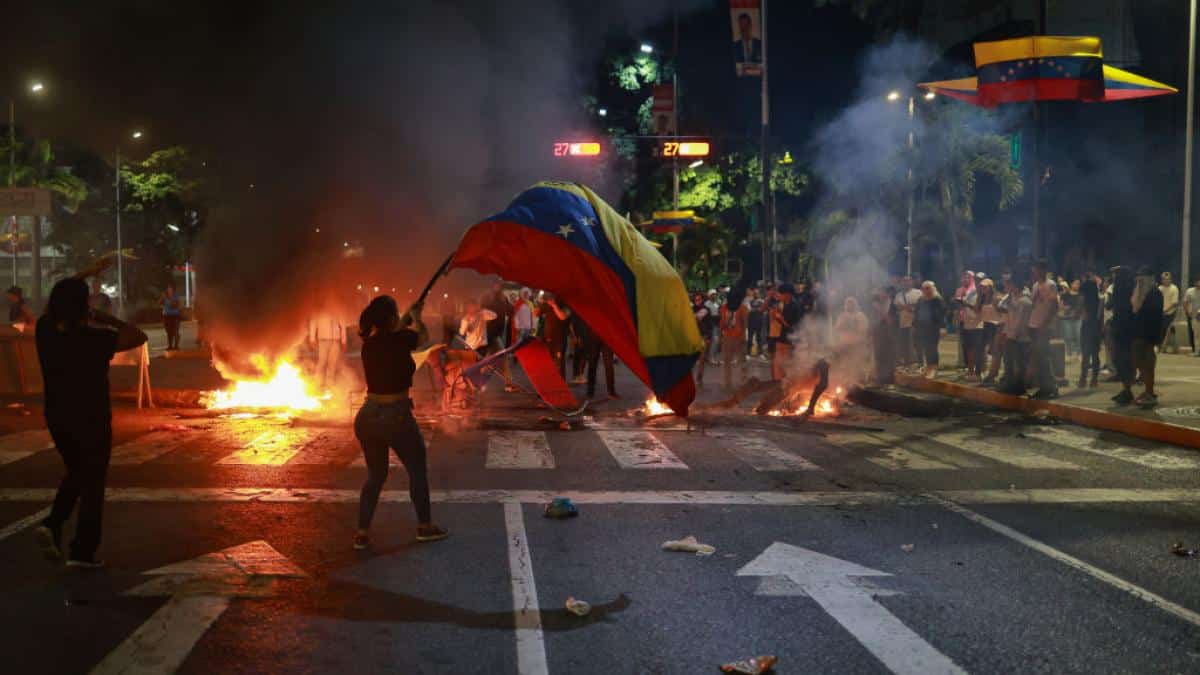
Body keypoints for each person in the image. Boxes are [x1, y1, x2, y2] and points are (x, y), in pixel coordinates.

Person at [34, 262, 148, 567]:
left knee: (77, 472)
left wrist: (80, 278)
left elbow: (58, 298)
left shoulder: (44, 331)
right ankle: (82, 551)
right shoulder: (95, 339)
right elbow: (137, 335)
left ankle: (53, 524)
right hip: (92, 419)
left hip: (57, 417)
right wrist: (100, 316)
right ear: (84, 307)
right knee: (92, 482)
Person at [353, 295, 447, 550]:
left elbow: (393, 335)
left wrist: (404, 318)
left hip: (368, 415)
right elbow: (422, 336)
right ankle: (424, 527)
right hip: (396, 415)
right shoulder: (402, 339)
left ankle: (361, 533)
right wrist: (416, 316)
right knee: (417, 470)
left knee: (375, 476)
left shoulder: (369, 345)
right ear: (393, 319)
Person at [1027, 260, 1059, 399]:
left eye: (1035, 270)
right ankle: (1042, 387)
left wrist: (1044, 324)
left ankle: (1051, 387)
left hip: (1043, 327)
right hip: (1033, 325)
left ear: (1042, 270)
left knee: (1044, 357)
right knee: (1038, 357)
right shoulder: (1035, 285)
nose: (1033, 273)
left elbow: (1054, 306)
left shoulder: (1050, 285)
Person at [1132, 267, 1163, 406]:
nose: (1139, 280)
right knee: (1138, 361)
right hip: (1139, 333)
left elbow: (1154, 317)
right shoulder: (1142, 293)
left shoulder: (1155, 293)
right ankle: (1147, 390)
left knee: (1147, 364)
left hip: (1148, 335)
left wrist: (1154, 338)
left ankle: (1149, 392)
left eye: (1142, 277)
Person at [997, 277, 1032, 395]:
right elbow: (1002, 307)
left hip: (1019, 337)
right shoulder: (1012, 298)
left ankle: (1019, 386)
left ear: (1016, 286)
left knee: (1019, 363)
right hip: (1011, 334)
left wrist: (1012, 335)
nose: (1008, 288)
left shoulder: (1024, 301)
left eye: (1010, 285)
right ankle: (1010, 384)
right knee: (1009, 362)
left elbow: (1020, 322)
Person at [835, 296, 870, 383]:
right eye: (847, 304)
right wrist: (845, 324)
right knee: (846, 365)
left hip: (857, 345)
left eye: (851, 304)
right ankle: (847, 384)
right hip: (845, 344)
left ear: (855, 305)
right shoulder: (842, 316)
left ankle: (859, 383)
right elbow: (837, 328)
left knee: (857, 365)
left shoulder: (860, 315)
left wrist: (853, 325)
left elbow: (863, 330)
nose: (849, 306)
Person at [913, 281, 945, 378]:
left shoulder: (937, 300)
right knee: (925, 348)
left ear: (933, 288)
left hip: (933, 328)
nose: (926, 290)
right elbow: (916, 313)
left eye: (928, 288)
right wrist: (914, 326)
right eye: (924, 288)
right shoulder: (920, 300)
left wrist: (942, 327)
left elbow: (942, 315)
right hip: (921, 327)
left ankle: (933, 369)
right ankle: (927, 368)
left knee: (932, 349)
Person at [720, 287, 749, 390]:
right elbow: (721, 323)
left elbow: (745, 323)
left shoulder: (742, 308)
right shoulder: (723, 308)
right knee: (727, 360)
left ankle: (744, 381)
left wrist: (744, 336)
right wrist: (722, 332)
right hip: (727, 337)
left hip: (739, 337)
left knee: (742, 360)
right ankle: (727, 383)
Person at [308, 311, 346, 389]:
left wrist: (343, 340)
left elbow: (342, 325)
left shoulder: (337, 309)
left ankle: (330, 384)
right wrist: (312, 339)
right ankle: (317, 383)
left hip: (335, 341)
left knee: (332, 363)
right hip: (323, 340)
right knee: (322, 361)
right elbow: (313, 324)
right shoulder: (319, 310)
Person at [771, 284, 801, 381]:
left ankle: (783, 388)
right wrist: (777, 317)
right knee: (778, 365)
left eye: (781, 294)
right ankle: (779, 387)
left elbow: (792, 327)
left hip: (787, 341)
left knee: (783, 366)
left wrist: (781, 319)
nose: (779, 296)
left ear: (787, 294)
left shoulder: (794, 306)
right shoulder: (784, 304)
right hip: (781, 339)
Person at [1079, 272, 1103, 388]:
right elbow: (1100, 316)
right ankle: (1094, 379)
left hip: (1088, 326)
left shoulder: (1085, 304)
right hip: (1096, 327)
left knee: (1086, 353)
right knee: (1094, 354)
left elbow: (1081, 305)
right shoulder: (1099, 299)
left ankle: (1083, 378)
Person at [539, 294, 571, 377]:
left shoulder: (565, 303)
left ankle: (561, 384)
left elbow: (562, 316)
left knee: (559, 363)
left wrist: (554, 305)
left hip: (559, 339)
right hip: (548, 337)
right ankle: (551, 382)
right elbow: (535, 313)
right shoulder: (547, 304)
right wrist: (540, 303)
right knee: (548, 362)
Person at [870, 287, 897, 384]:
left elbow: (894, 320)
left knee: (889, 357)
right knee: (879, 355)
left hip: (889, 334)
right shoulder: (875, 307)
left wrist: (886, 316)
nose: (882, 296)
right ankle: (880, 377)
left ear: (887, 295)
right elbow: (873, 321)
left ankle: (890, 379)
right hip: (878, 334)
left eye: (883, 294)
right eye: (880, 295)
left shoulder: (893, 305)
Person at [960, 277, 984, 381]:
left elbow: (978, 310)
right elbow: (964, 303)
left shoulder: (985, 294)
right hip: (967, 324)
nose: (978, 283)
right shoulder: (971, 292)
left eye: (980, 281)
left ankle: (980, 372)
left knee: (979, 350)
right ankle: (971, 371)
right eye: (977, 280)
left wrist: (968, 305)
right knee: (969, 349)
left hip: (979, 325)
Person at [894, 276, 921, 367]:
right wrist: (901, 308)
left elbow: (921, 306)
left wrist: (912, 308)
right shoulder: (899, 295)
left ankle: (917, 363)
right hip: (902, 324)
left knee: (914, 344)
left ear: (912, 282)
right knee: (904, 344)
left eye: (908, 281)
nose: (906, 283)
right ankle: (906, 363)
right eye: (904, 281)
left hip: (914, 323)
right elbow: (896, 307)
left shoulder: (918, 293)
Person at [692, 293, 711, 386]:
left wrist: (708, 337)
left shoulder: (706, 309)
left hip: (703, 335)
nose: (697, 302)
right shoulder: (692, 309)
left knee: (702, 359)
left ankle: (699, 377)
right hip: (693, 336)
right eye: (696, 300)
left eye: (699, 299)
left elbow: (697, 318)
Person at [1059, 279, 1082, 356]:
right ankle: (1069, 353)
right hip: (1066, 318)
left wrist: (1070, 308)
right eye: (1076, 283)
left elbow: (1081, 306)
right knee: (1068, 336)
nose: (1077, 285)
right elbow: (1061, 305)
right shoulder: (1065, 294)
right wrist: (1064, 307)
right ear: (1071, 284)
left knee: (1078, 336)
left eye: (1078, 284)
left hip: (1077, 318)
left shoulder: (1081, 295)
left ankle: (1079, 353)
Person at [1159, 271, 1180, 354]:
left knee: (1168, 330)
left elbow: (1174, 303)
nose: (1166, 280)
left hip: (1170, 313)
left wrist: (1165, 311)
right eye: (1164, 279)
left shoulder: (1174, 288)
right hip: (1161, 313)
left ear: (1171, 279)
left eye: (1167, 279)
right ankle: (1166, 347)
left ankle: (1165, 347)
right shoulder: (1159, 288)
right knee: (1164, 331)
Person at [161, 283, 183, 350]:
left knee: (175, 331)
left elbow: (173, 305)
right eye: (168, 288)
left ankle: (176, 346)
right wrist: (162, 298)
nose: (169, 290)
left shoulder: (176, 296)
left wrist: (167, 298)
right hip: (166, 316)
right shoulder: (165, 296)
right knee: (169, 331)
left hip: (175, 316)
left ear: (173, 290)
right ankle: (170, 345)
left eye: (170, 288)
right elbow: (159, 303)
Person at [746, 289, 766, 359]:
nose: (755, 294)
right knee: (750, 339)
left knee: (759, 338)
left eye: (757, 293)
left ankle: (761, 353)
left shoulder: (762, 301)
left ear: (759, 294)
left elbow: (763, 310)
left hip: (759, 322)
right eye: (754, 293)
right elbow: (748, 311)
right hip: (751, 322)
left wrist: (755, 309)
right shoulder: (750, 301)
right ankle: (748, 353)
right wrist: (756, 309)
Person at [1185, 276, 1200, 356]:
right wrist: (1188, 312)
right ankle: (1197, 351)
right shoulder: (1190, 291)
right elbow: (1185, 302)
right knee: (1196, 334)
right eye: (1198, 281)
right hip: (1194, 316)